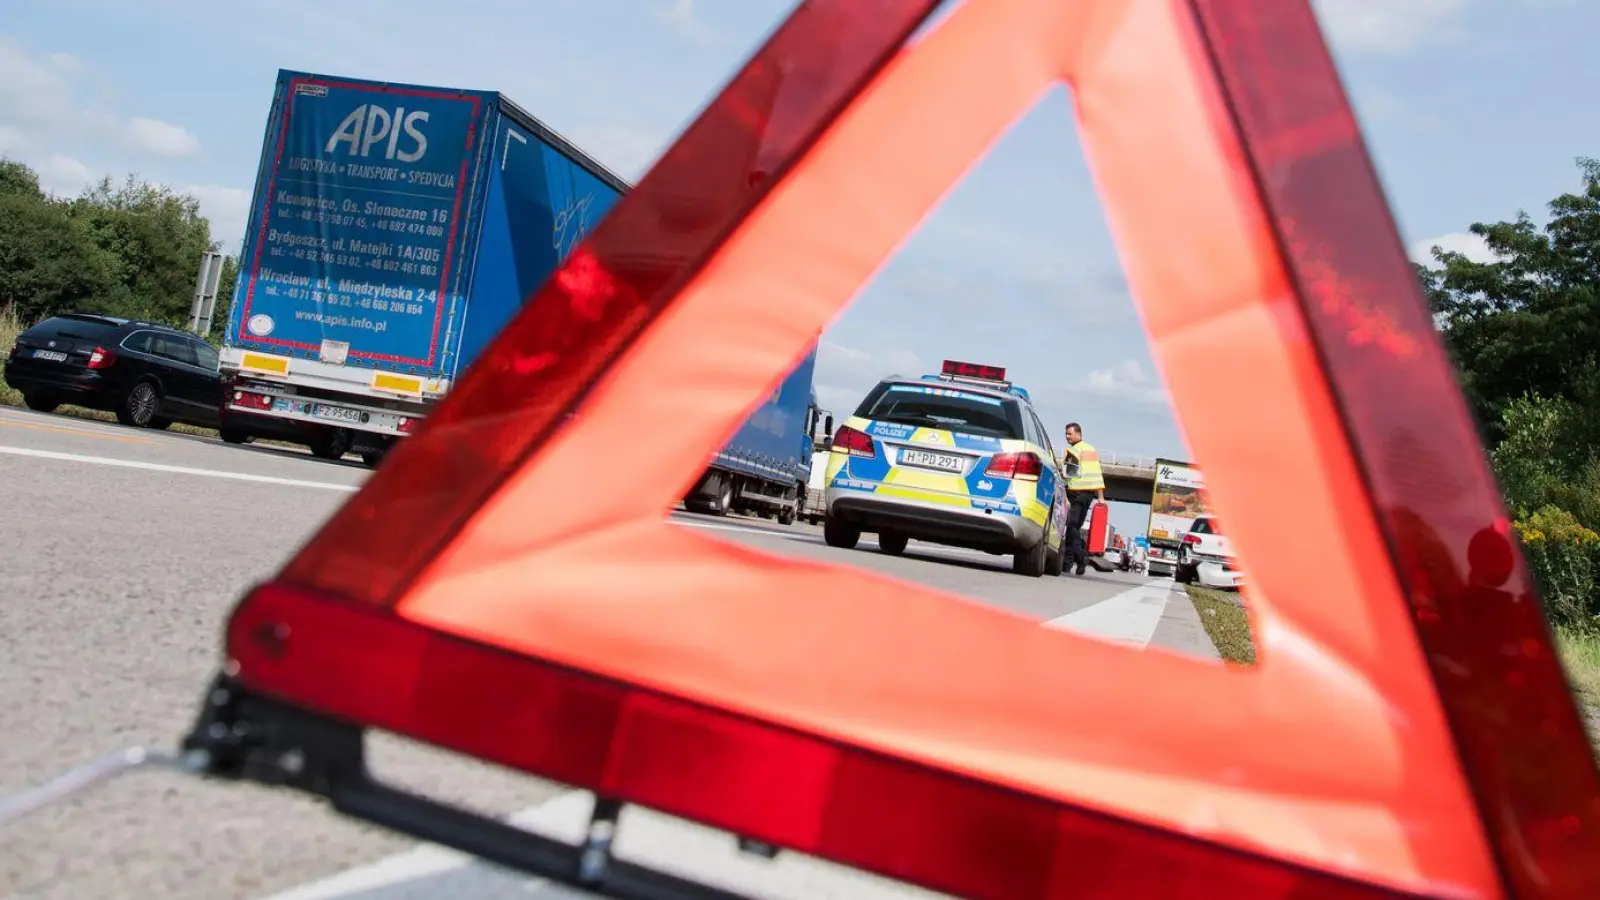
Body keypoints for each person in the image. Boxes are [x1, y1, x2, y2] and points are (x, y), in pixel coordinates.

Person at [1060, 421, 1105, 576]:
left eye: (1069, 434)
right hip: (1088, 496)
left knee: (1071, 527)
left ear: (1078, 433)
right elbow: (1097, 474)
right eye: (1066, 434)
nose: (1067, 437)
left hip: (1076, 494)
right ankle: (1069, 563)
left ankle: (1080, 556)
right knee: (1074, 528)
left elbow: (1066, 474)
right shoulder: (1091, 450)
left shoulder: (1072, 451)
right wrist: (1100, 497)